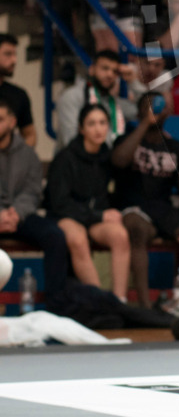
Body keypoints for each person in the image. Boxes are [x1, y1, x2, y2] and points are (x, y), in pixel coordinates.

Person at [113, 93, 179, 308]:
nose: (155, 111)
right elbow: (119, 161)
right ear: (139, 112)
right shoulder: (125, 141)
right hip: (135, 210)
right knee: (136, 227)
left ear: (168, 112)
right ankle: (145, 307)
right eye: (149, 107)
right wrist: (145, 123)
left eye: (159, 107)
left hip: (165, 212)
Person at [45, 104, 130, 302]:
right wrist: (100, 215)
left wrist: (107, 214)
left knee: (120, 235)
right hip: (65, 215)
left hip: (94, 217)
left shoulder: (108, 156)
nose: (98, 129)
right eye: (91, 124)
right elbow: (60, 203)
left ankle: (120, 300)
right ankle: (99, 301)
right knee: (78, 239)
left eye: (102, 123)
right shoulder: (65, 158)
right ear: (81, 129)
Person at [0, 97, 69, 298]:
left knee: (55, 235)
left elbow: (32, 191)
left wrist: (15, 214)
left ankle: (56, 305)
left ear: (12, 122)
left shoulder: (28, 154)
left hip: (20, 215)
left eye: (1, 119)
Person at [56, 49, 136, 147]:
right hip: (75, 160)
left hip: (106, 160)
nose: (110, 74)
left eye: (115, 71)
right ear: (92, 70)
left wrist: (134, 81)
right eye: (105, 68)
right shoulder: (72, 96)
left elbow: (146, 112)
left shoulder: (115, 103)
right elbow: (70, 140)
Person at [0, 33, 36, 147]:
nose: (14, 60)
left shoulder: (18, 95)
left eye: (15, 54)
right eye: (8, 54)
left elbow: (30, 134)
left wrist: (19, 157)